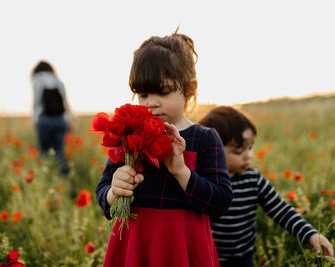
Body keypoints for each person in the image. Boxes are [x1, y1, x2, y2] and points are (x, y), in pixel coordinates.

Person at [95, 32, 233, 267]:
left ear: (190, 88)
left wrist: (181, 172)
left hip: (184, 247)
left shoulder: (205, 138)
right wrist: (114, 190)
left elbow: (221, 201)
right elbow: (102, 192)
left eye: (164, 91)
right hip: (136, 244)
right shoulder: (129, 135)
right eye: (143, 94)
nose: (151, 102)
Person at [199, 106, 334, 267]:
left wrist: (310, 235)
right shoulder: (203, 182)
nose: (248, 155)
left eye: (250, 147)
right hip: (208, 258)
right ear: (212, 150)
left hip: (243, 259)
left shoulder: (253, 180)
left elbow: (281, 210)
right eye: (238, 151)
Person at [31, 60, 71, 175]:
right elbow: (66, 103)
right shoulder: (58, 81)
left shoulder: (37, 80)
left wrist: (35, 120)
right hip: (60, 120)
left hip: (45, 120)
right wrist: (68, 120)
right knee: (59, 150)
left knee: (44, 152)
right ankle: (64, 177)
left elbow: (36, 103)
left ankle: (47, 176)